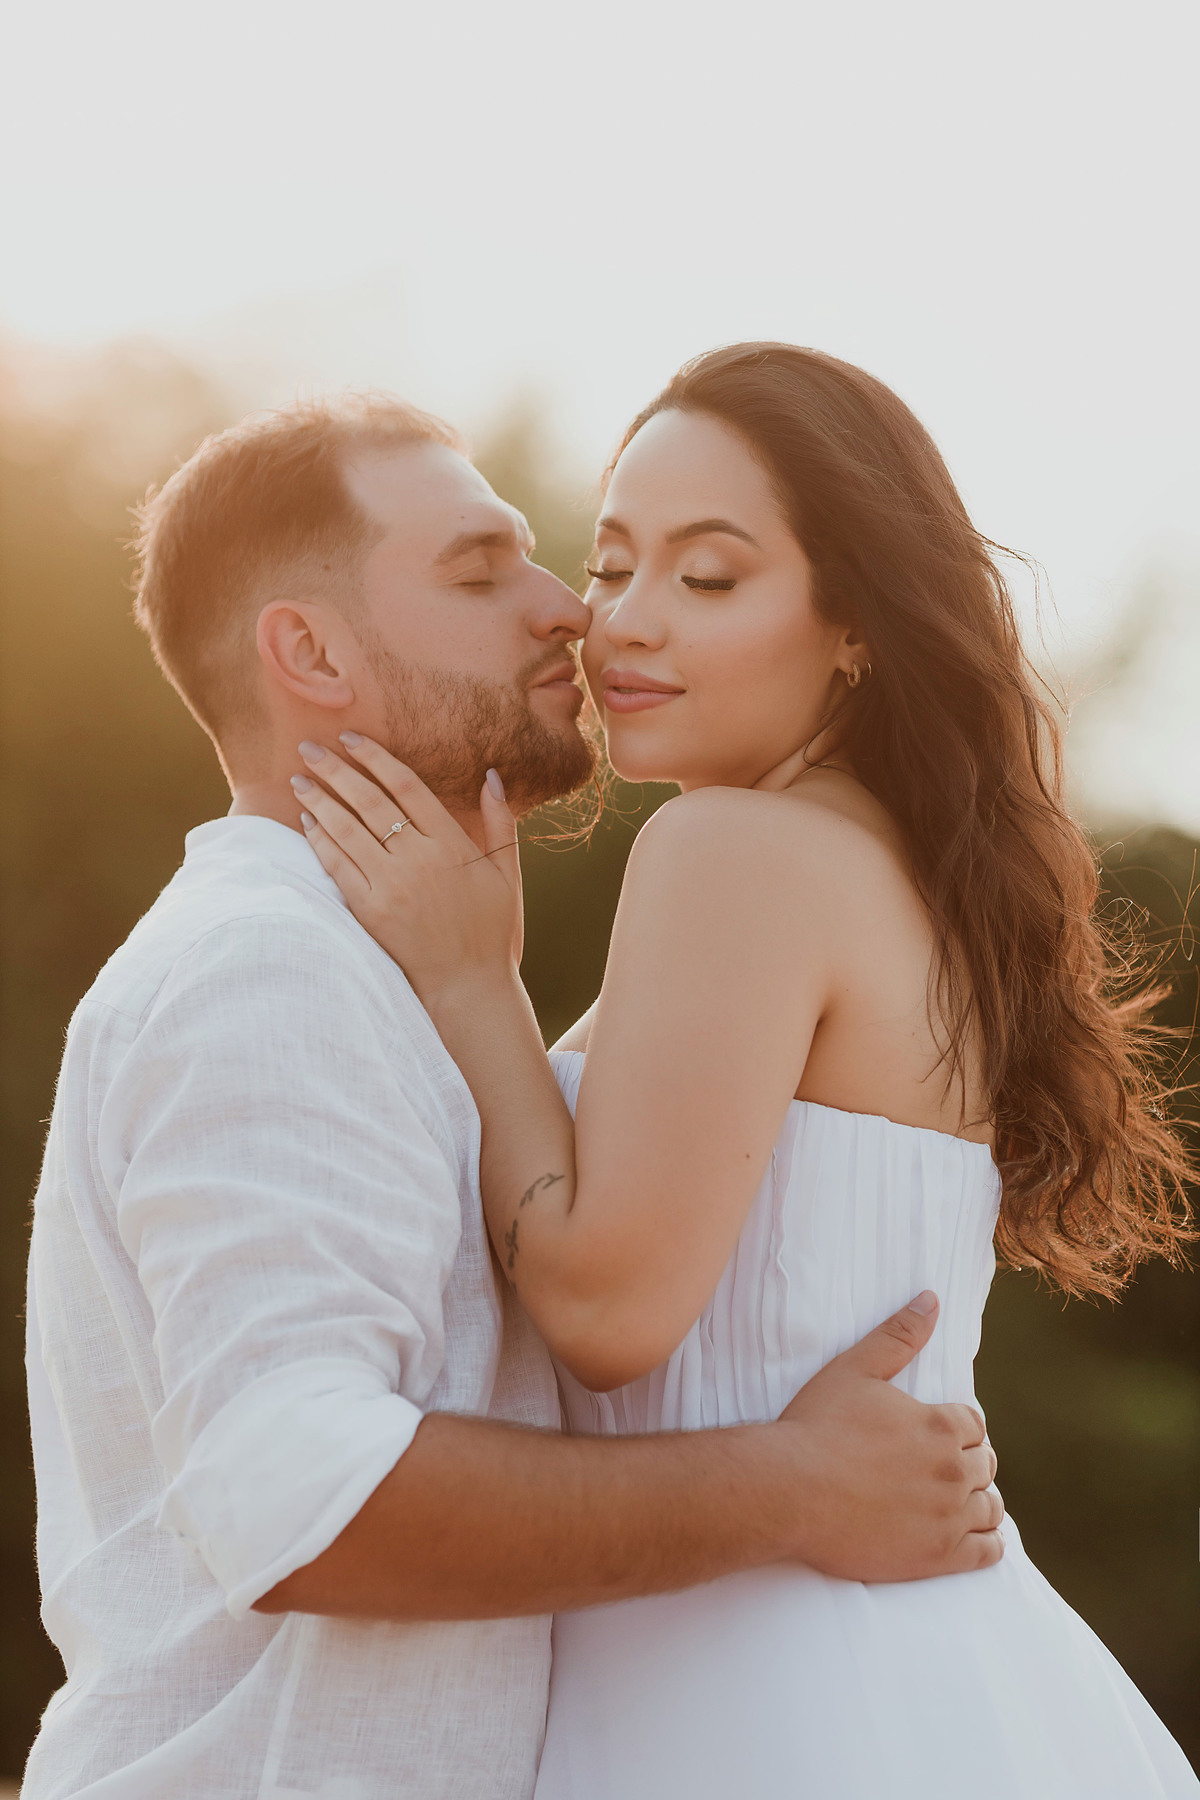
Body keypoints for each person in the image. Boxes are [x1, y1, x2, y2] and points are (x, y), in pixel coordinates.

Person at [21, 393, 1002, 1800]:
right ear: (310, 653)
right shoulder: (266, 973)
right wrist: (795, 1487)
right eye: (483, 572)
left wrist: (484, 992)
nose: (571, 613)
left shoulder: (400, 971)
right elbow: (304, 1501)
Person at [296, 346, 1199, 1799]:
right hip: (919, 1669)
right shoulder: (889, 870)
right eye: (612, 565)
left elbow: (606, 1310)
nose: (624, 621)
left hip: (762, 1690)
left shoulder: (733, 854)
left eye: (708, 577)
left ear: (855, 627)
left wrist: (471, 983)